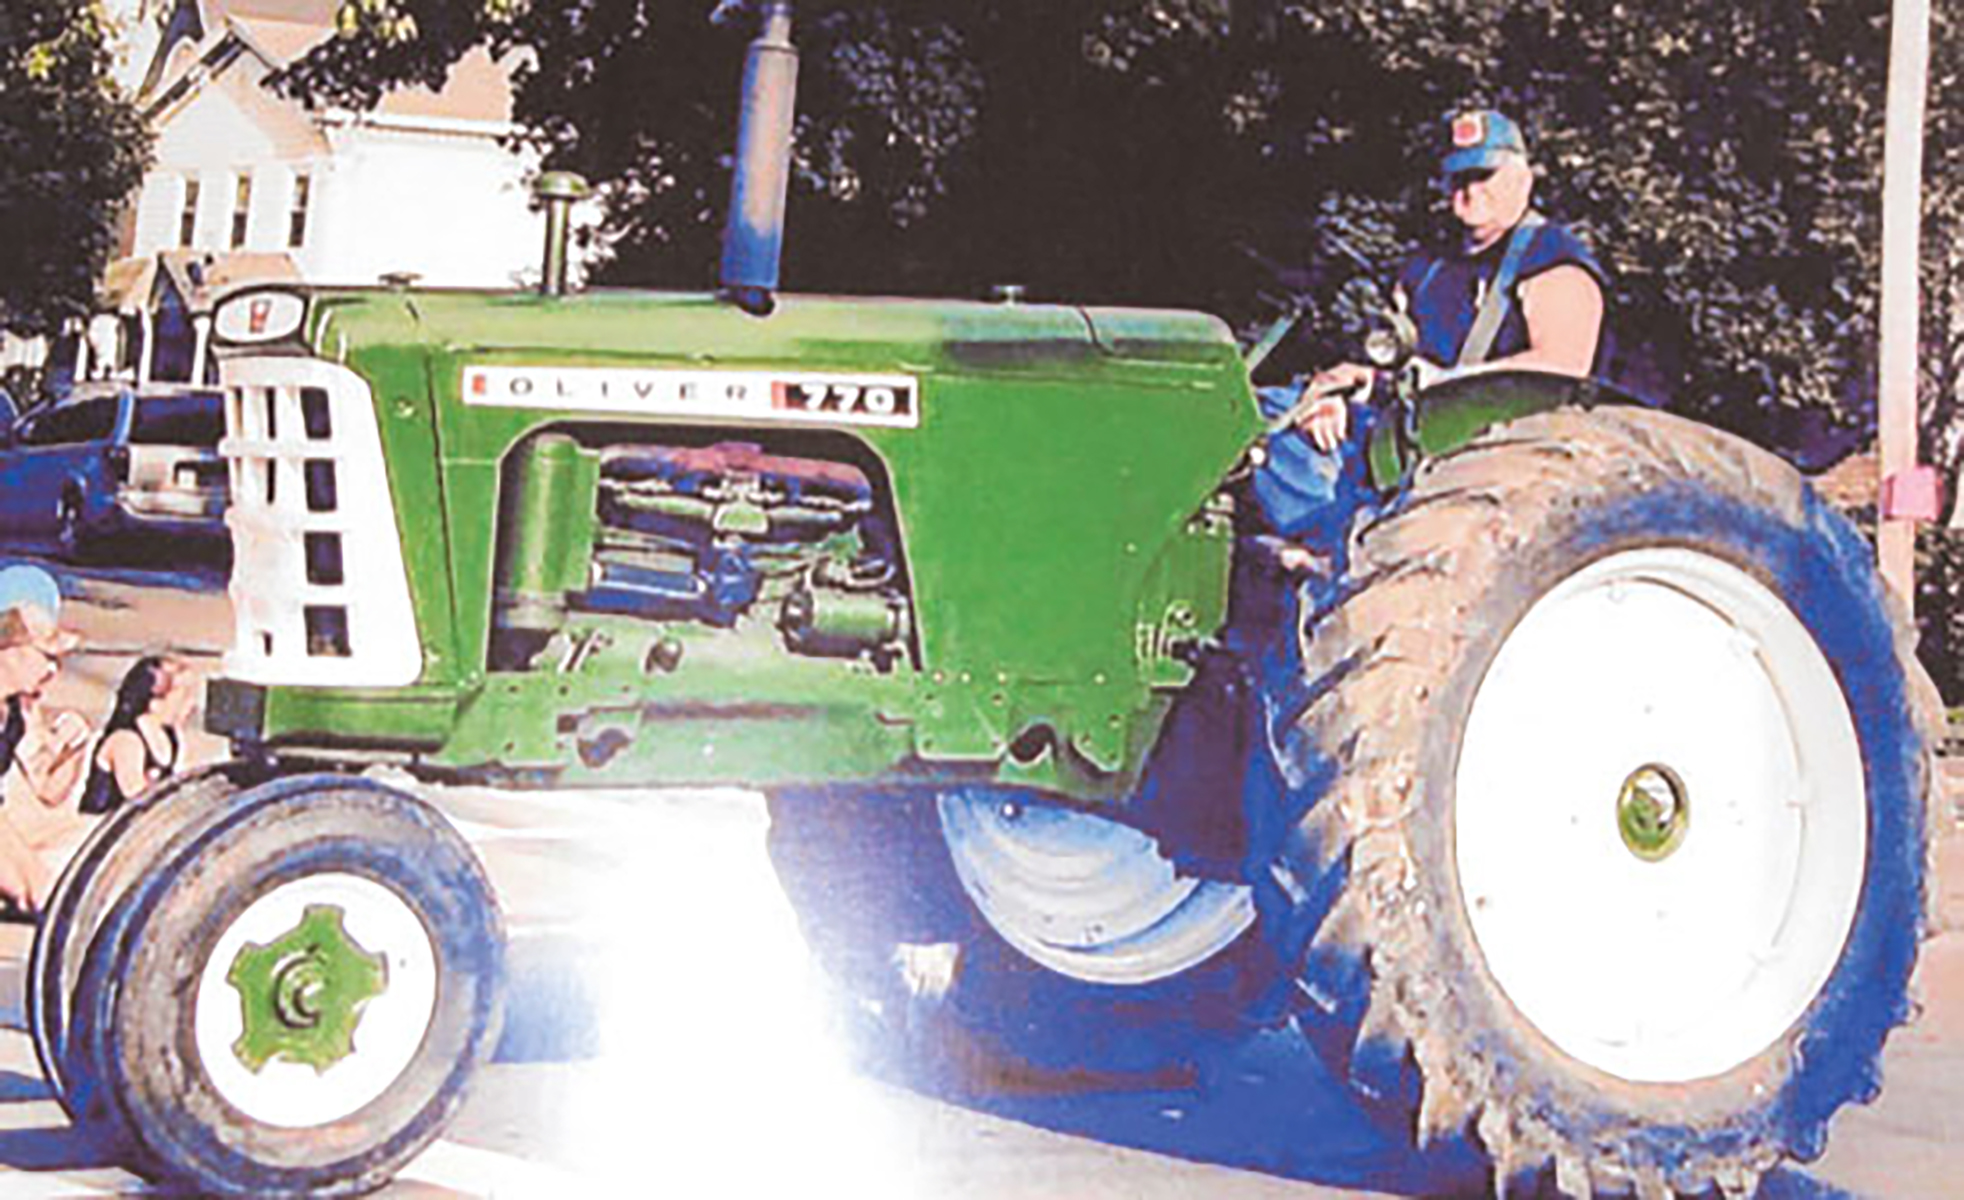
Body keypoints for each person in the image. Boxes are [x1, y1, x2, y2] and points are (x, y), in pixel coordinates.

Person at [1296, 108, 1609, 455]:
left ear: (1523, 180)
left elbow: (1561, 369)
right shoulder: (1427, 266)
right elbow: (1390, 359)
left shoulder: (1552, 260)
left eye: (1484, 175)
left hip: (1511, 446)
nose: (1470, 191)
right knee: (1278, 424)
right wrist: (1332, 396)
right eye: (1459, 179)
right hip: (1411, 434)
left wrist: (1442, 384)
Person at [0, 567, 91, 911]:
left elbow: (48, 790)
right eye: (46, 657)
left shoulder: (14, 715)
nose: (54, 670)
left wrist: (74, 751)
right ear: (9, 648)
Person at [80, 655, 189, 816]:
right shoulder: (127, 740)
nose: (189, 705)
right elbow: (138, 801)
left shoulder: (166, 735)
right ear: (155, 703)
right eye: (183, 697)